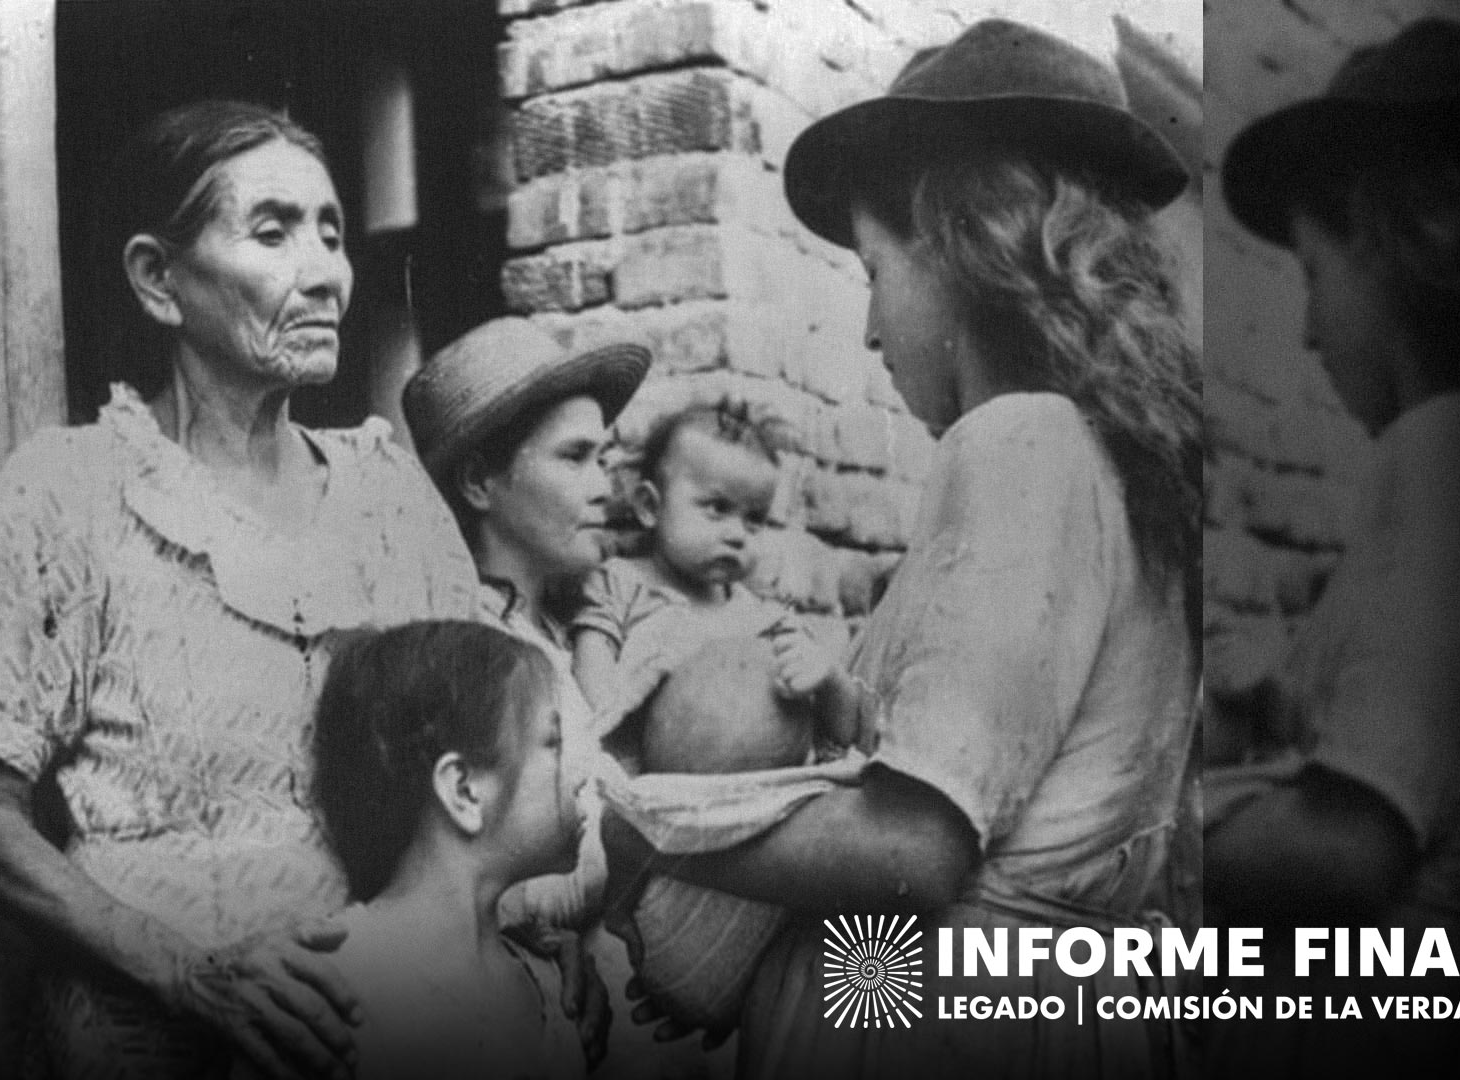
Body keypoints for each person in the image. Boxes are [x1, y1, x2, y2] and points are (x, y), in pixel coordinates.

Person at [602, 18, 1203, 1077]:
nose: (872, 334)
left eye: (874, 273)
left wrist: (635, 829)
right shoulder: (1117, 467)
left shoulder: (1018, 440)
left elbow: (915, 848)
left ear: (951, 242)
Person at [0, 100, 480, 1078]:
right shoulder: (69, 493)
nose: (326, 271)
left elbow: (490, 750)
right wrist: (187, 971)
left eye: (332, 232)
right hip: (148, 1034)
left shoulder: (387, 495)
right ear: (159, 281)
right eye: (274, 231)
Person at [1204, 18, 1460, 1075]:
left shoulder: (1453, 447)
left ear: (1402, 249)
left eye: (1313, 272)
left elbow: (1345, 856)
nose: (1305, 332)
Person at [406, 316, 725, 1077]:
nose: (602, 488)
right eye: (576, 458)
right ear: (480, 481)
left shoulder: (574, 626)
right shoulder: (459, 648)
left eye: (606, 458)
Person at [298, 620, 587, 1080]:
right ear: (465, 790)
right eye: (553, 744)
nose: (580, 775)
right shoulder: (319, 994)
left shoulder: (551, 984)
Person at [572, 401, 860, 768]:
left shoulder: (762, 620)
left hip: (756, 787)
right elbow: (592, 692)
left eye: (754, 519)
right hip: (648, 781)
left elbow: (840, 733)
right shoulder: (621, 585)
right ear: (649, 506)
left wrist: (828, 678)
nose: (737, 534)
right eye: (717, 508)